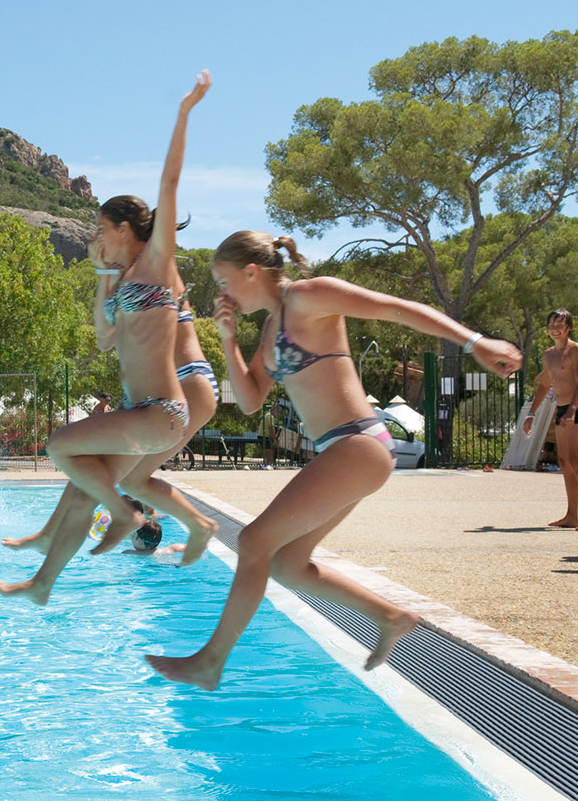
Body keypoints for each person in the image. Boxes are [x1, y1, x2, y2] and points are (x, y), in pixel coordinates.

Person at [144, 230, 523, 690]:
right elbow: (249, 400)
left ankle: (210, 661)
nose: (223, 293)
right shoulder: (270, 328)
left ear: (251, 272)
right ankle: (388, 616)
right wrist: (228, 342)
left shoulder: (308, 295)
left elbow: (395, 309)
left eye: (224, 281)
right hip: (344, 450)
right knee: (286, 564)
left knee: (253, 542)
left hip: (357, 442)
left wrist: (474, 343)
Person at [0, 70, 219, 605]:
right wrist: (99, 279)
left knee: (58, 445)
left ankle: (124, 513)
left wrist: (184, 112)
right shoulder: (121, 280)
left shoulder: (157, 264)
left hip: (163, 409)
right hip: (140, 409)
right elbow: (102, 339)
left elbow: (168, 185)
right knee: (79, 484)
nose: (95, 237)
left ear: (124, 229)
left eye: (100, 228)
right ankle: (42, 583)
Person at [523, 309, 578, 531]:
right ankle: (571, 515)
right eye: (552, 325)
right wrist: (531, 414)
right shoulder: (548, 355)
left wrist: (573, 410)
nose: (555, 329)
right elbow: (545, 385)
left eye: (560, 324)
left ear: (569, 328)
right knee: (564, 461)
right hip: (563, 408)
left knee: (576, 459)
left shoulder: (576, 351)